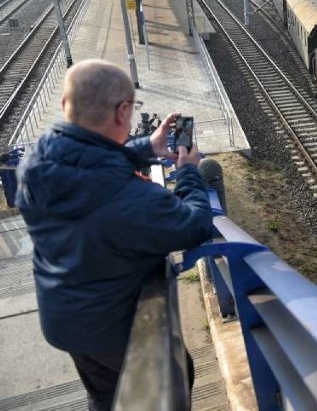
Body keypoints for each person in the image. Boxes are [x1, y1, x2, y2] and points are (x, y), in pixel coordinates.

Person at [16, 59, 214, 411]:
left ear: (65, 106)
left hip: (64, 321)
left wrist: (144, 148)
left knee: (105, 397)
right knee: (170, 384)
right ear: (123, 111)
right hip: (115, 325)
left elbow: (88, 160)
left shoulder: (38, 160)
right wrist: (188, 174)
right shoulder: (131, 199)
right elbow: (194, 225)